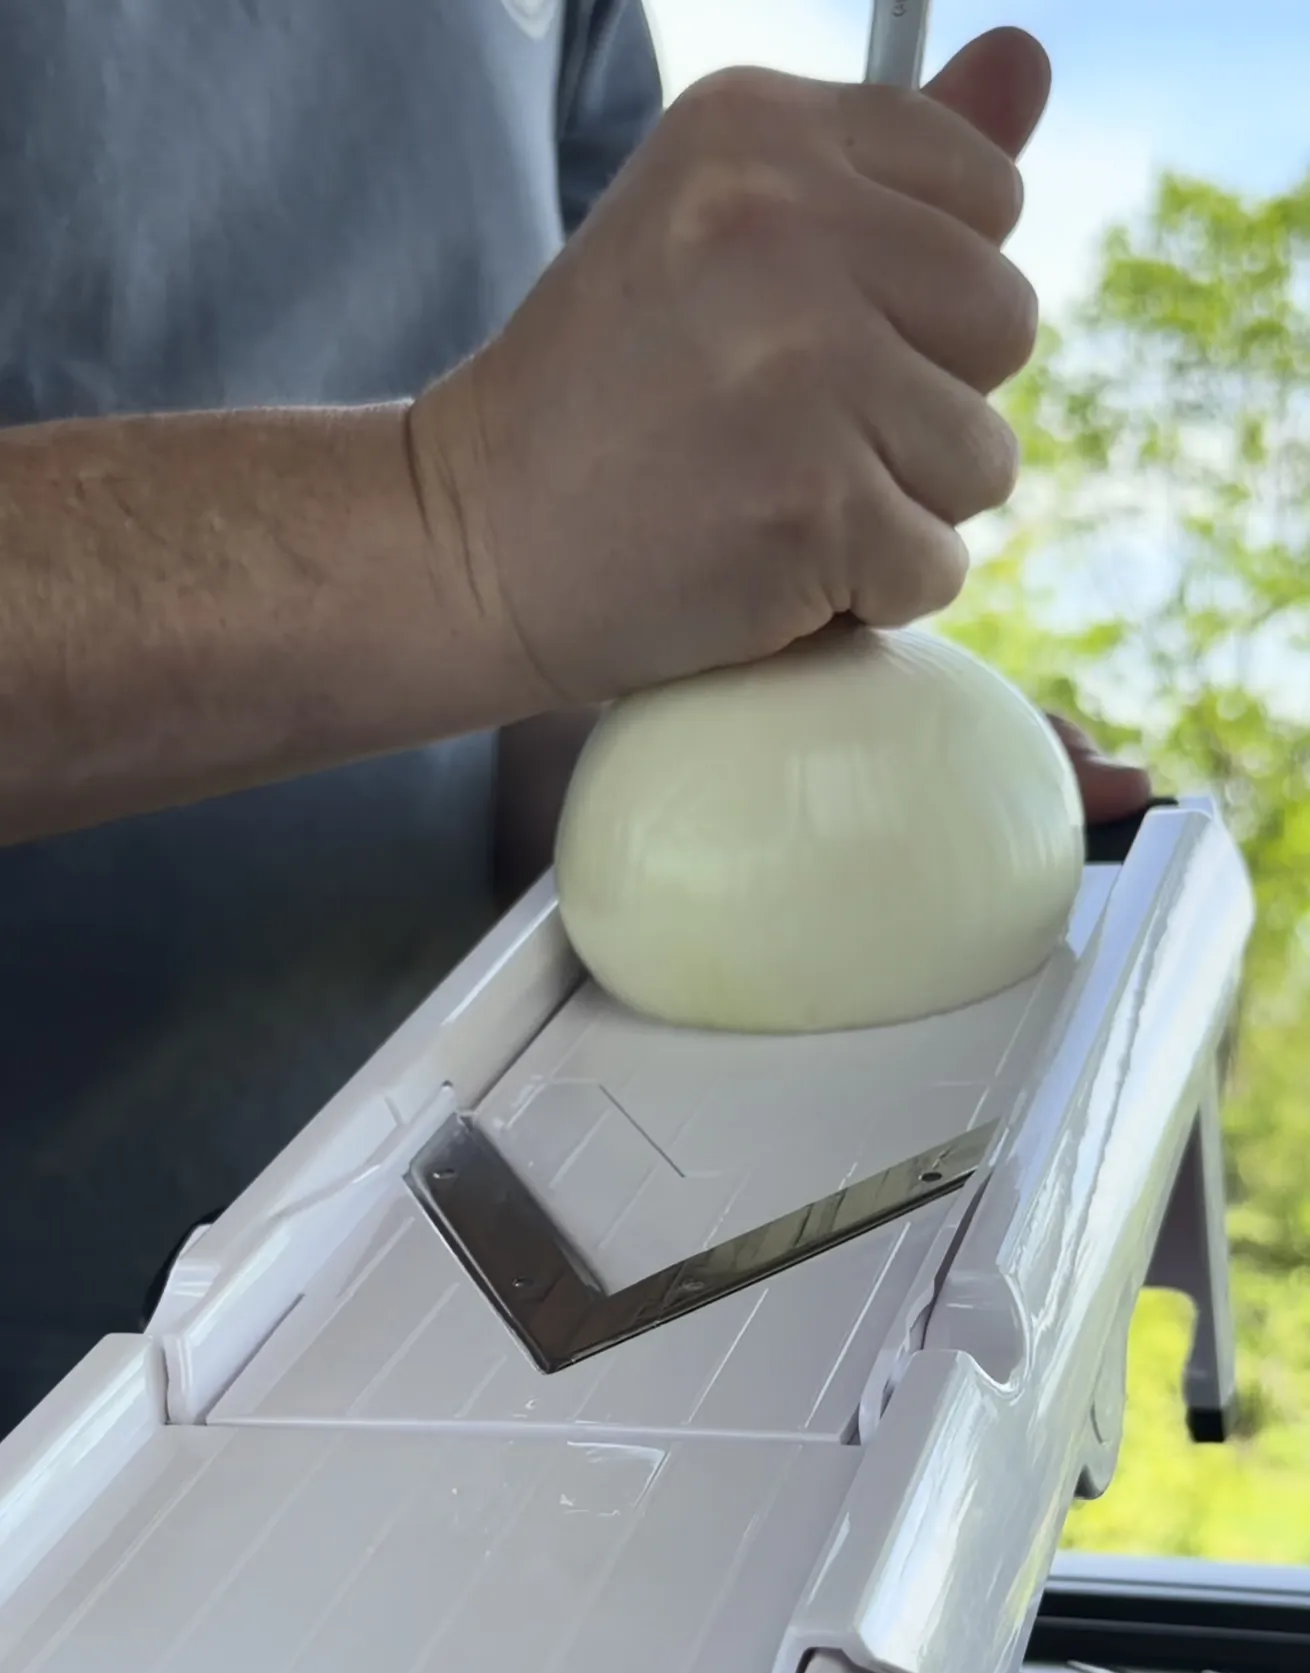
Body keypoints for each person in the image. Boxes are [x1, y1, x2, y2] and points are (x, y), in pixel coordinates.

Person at [0, 0, 1150, 1440]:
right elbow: (492, 542)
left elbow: (521, 660)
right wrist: (449, 519)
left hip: (401, 1354)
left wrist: (762, 784)